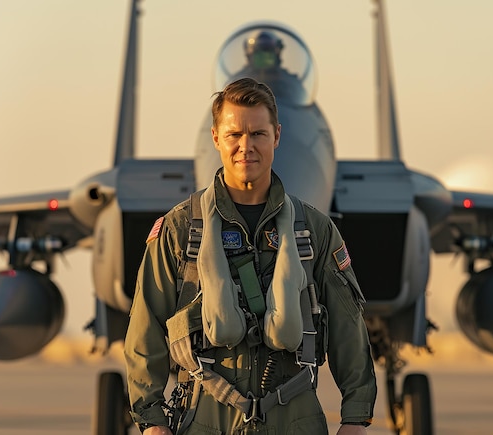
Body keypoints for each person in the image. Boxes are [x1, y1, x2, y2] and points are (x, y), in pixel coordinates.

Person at [125, 77, 376, 434]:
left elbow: (348, 328)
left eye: (258, 134)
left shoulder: (313, 230)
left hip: (296, 418)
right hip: (206, 418)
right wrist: (151, 421)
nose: (246, 146)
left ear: (276, 136)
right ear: (216, 138)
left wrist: (355, 418)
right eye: (234, 135)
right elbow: (145, 326)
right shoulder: (180, 229)